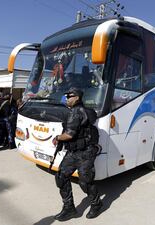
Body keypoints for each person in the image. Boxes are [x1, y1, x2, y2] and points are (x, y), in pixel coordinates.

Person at [53, 87, 102, 221]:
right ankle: (69, 208)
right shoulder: (83, 111)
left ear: (77, 98)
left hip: (85, 153)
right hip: (74, 152)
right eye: (67, 97)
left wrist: (57, 138)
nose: (67, 99)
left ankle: (97, 204)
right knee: (61, 176)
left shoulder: (76, 112)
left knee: (85, 181)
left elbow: (69, 135)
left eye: (70, 96)